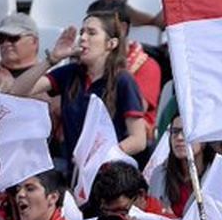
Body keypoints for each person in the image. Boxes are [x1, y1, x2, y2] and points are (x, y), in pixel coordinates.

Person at [9, 13, 151, 160]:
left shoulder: (123, 80)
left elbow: (138, 140)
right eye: (82, 32)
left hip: (107, 173)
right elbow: (15, 91)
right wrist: (52, 59)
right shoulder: (71, 73)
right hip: (73, 174)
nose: (83, 38)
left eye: (91, 33)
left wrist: (100, 157)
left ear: (111, 44)